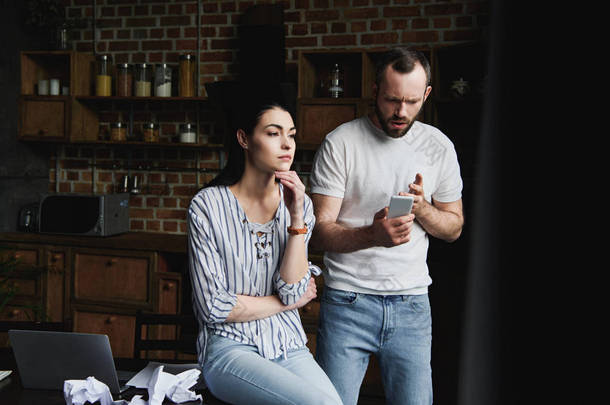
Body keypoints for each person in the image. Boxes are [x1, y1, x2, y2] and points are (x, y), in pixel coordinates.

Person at [309, 47, 465, 405]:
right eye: (392, 99)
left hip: (411, 305)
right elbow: (319, 232)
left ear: (426, 94)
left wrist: (422, 209)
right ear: (375, 89)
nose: (401, 112)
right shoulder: (341, 143)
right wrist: (372, 235)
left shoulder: (439, 147)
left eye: (412, 101)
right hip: (347, 302)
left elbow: (453, 228)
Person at [187, 100, 343, 405]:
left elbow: (294, 288)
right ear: (244, 138)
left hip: (288, 345)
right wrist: (285, 305)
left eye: (292, 135)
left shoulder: (302, 205)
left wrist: (296, 218)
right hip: (230, 348)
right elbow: (214, 307)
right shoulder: (207, 206)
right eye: (273, 133)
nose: (287, 144)